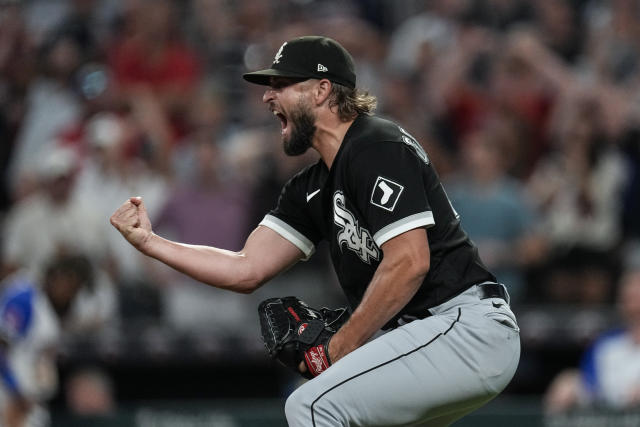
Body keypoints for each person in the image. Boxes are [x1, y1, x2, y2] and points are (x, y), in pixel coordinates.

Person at [110, 36, 520, 427]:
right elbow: (245, 268)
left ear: (322, 90)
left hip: (464, 326)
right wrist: (152, 243)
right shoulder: (311, 187)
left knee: (311, 406)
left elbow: (410, 262)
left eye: (282, 84)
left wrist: (341, 346)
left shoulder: (375, 144)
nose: (268, 97)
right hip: (430, 336)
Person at [0, 254, 93, 427]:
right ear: (53, 276)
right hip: (8, 393)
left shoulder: (61, 305)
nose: (67, 291)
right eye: (65, 281)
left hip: (30, 396)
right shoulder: (24, 297)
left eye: (74, 287)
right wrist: (14, 391)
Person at [544, 266, 640, 413]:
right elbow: (589, 383)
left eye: (636, 296)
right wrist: (570, 384)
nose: (632, 304)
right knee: (565, 382)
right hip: (606, 415)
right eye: (628, 297)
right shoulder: (606, 343)